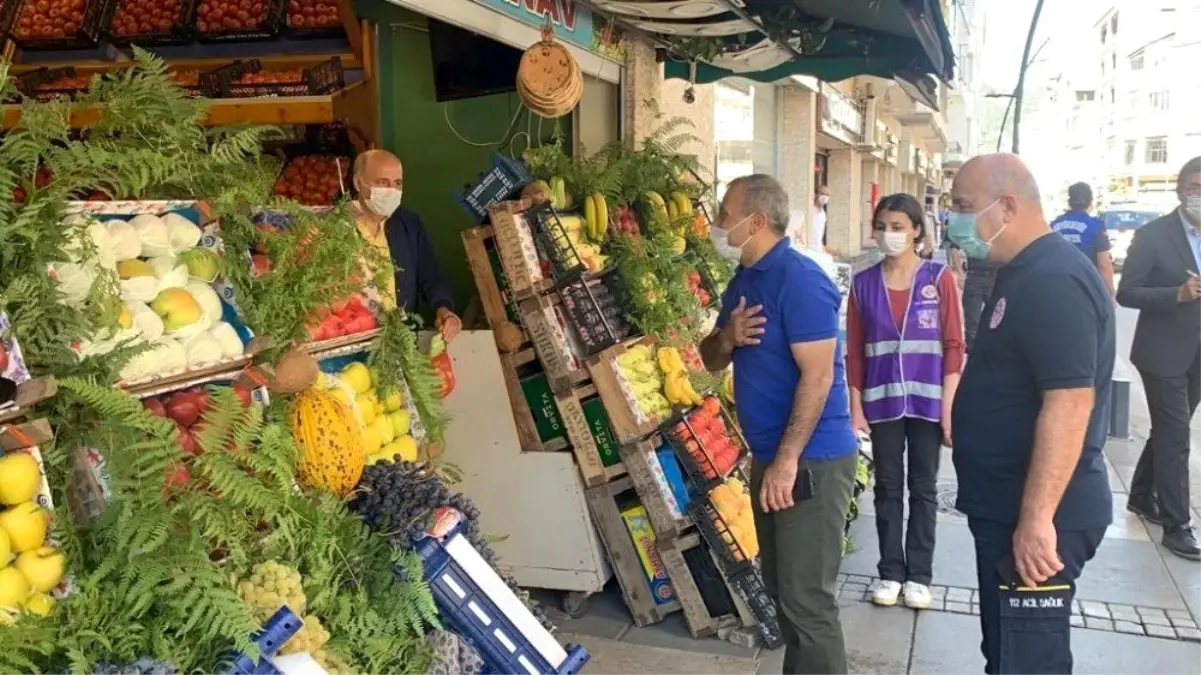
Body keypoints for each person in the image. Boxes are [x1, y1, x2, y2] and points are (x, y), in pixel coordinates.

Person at [948, 154, 1113, 674]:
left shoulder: (1052, 279)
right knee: (1006, 653)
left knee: (1027, 662)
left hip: (1041, 517)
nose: (955, 220)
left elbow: (1069, 402)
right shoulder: (1020, 271)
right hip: (1007, 506)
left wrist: (1038, 519)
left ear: (1008, 206)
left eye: (963, 206)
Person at [699, 174, 856, 675]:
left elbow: (819, 376)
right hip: (771, 457)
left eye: (725, 214)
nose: (718, 224)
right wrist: (728, 336)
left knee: (808, 602)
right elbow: (710, 360)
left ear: (756, 221)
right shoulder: (745, 280)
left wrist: (787, 461)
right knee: (782, 592)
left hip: (810, 460)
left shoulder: (800, 279)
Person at [847, 193, 965, 610]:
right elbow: (855, 352)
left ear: (917, 230)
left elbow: (954, 346)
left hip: (928, 403)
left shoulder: (939, 279)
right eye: (882, 226)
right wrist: (855, 407)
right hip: (882, 403)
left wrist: (950, 409)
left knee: (924, 488)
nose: (888, 234)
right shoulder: (863, 284)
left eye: (898, 227)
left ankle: (919, 575)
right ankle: (890, 572)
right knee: (888, 487)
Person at [1115, 155, 1201, 561]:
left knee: (1173, 428)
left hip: (1197, 353)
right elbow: (1127, 291)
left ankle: (1139, 496)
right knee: (1176, 437)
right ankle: (1177, 525)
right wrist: (1176, 295)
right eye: (1195, 188)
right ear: (1181, 190)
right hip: (1162, 352)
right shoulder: (1153, 235)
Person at [352, 150, 461, 341]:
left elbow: (432, 277)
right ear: (358, 183)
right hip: (353, 338)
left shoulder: (409, 224)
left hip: (401, 340)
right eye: (382, 182)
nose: (391, 191)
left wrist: (444, 311)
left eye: (398, 184)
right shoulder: (337, 229)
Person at [1050, 182, 1116, 296]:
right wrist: (1111, 292)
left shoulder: (1054, 225)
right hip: (1086, 290)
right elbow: (1104, 264)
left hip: (1056, 288)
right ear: (1090, 201)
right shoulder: (1095, 226)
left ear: (1070, 201)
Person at [813, 184, 830, 252]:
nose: (825, 197)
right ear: (816, 194)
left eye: (827, 195)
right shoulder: (809, 210)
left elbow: (819, 236)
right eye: (822, 194)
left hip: (818, 250)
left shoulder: (823, 214)